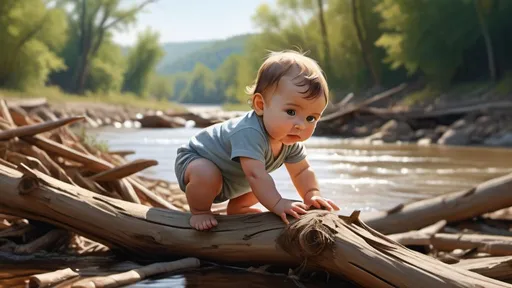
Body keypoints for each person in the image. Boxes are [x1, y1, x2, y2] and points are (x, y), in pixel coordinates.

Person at [174, 50, 340, 231]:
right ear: (261, 105)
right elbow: (255, 176)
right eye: (291, 112)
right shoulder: (249, 132)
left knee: (263, 181)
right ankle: (199, 211)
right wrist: (277, 203)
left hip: (232, 178)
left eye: (311, 118)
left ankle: (239, 208)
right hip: (195, 160)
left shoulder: (290, 140)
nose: (301, 125)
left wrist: (312, 194)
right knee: (222, 174)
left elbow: (302, 172)